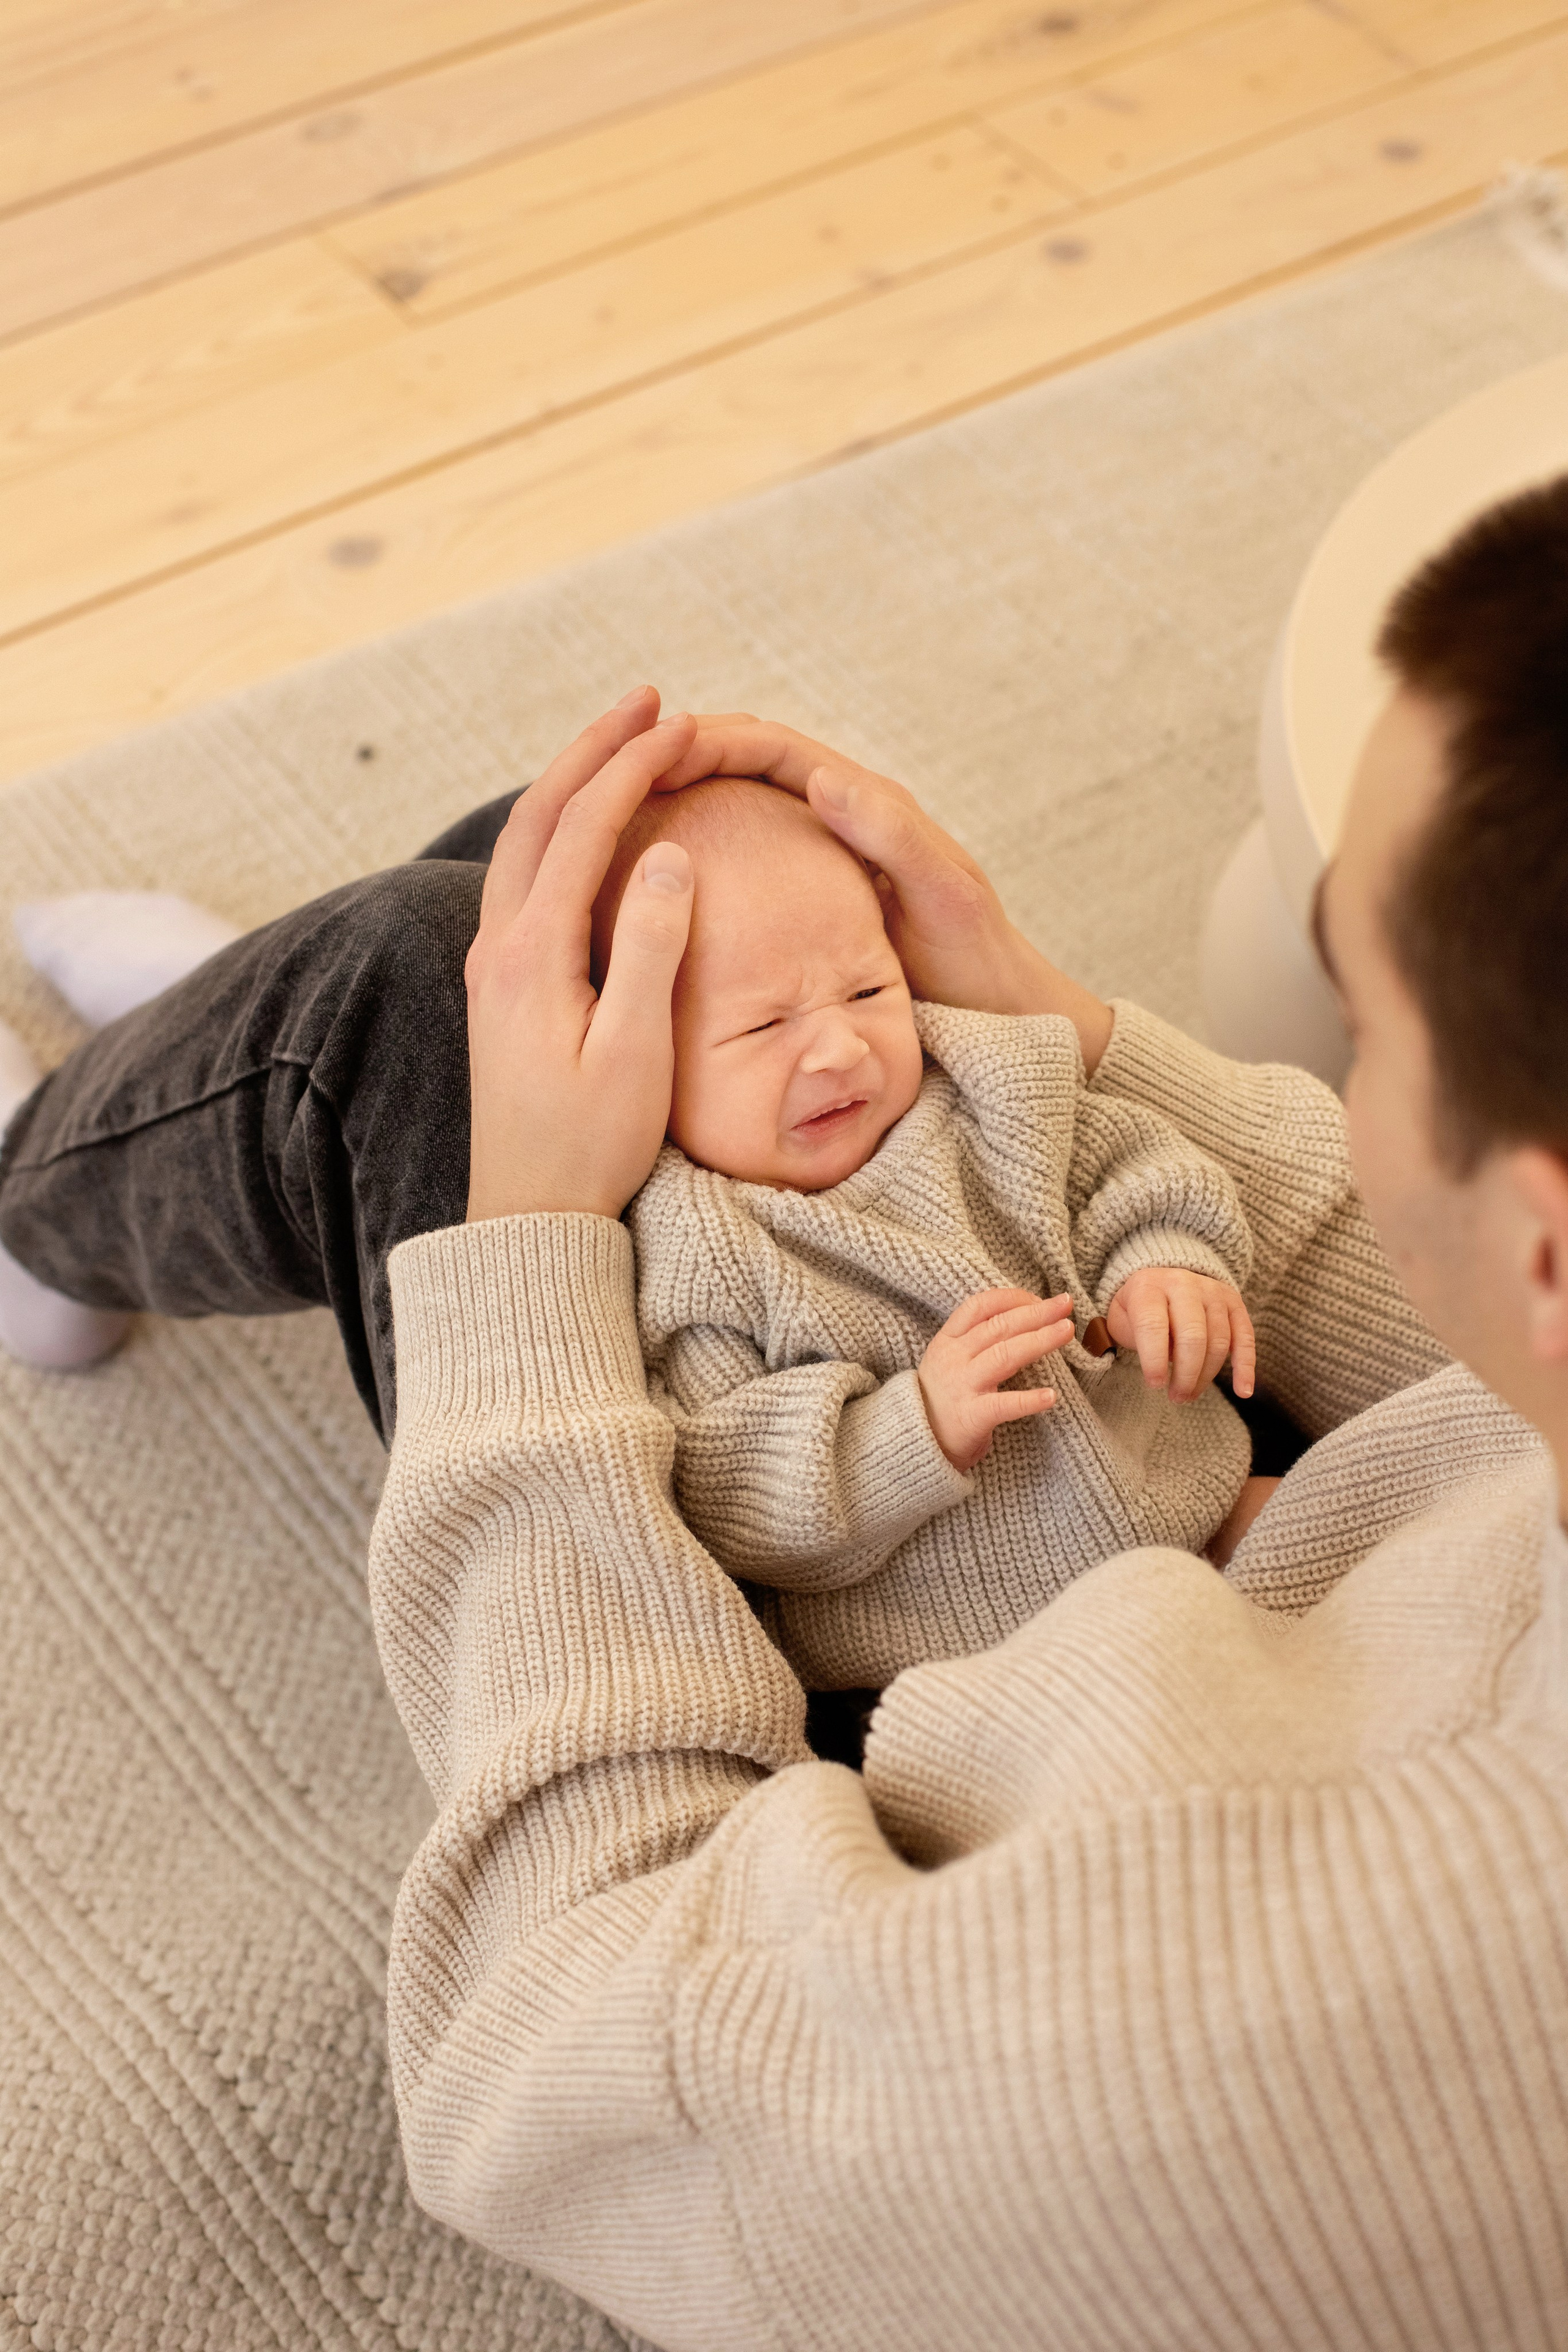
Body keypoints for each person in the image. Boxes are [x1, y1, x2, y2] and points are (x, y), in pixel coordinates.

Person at [2, 479, 1566, 2346]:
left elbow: (559, 2031)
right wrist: (1082, 1059)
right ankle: (206, 1037)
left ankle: (63, 1178)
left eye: (1361, 1030)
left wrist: (535, 1250)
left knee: (419, 991)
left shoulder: (1179, 2055)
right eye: (772, 1043)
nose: (850, 1043)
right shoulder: (774, 1225)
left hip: (913, 1658)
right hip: (1204, 1531)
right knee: (621, 880)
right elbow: (1156, 1175)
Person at [606, 774, 1264, 1692]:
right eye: (764, 1024)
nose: (840, 1049)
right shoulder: (704, 1248)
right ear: (643, 1054)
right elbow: (728, 1487)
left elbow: (1139, 1166)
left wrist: (1167, 1268)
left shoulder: (995, 1087)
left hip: (1192, 1507)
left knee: (1351, 1518)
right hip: (963, 1657)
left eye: (869, 989)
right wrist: (916, 1428)